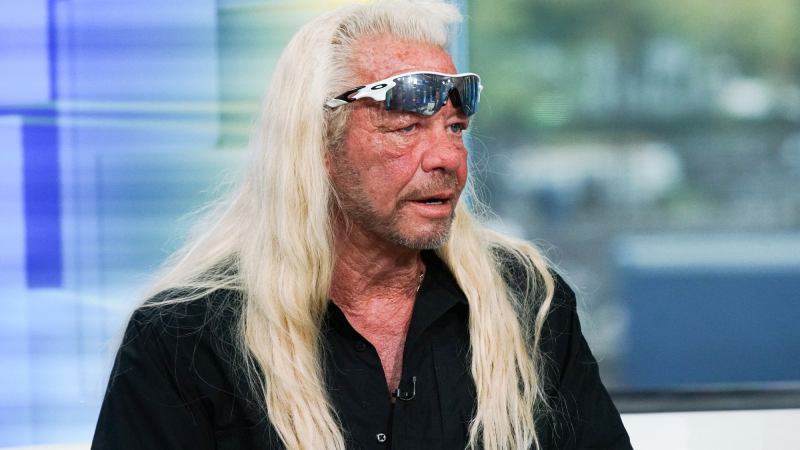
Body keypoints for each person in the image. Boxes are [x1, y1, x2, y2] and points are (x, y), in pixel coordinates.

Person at [92, 1, 632, 449]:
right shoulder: (185, 339)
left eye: (455, 127)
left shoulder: (527, 305)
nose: (448, 157)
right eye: (405, 127)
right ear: (318, 145)